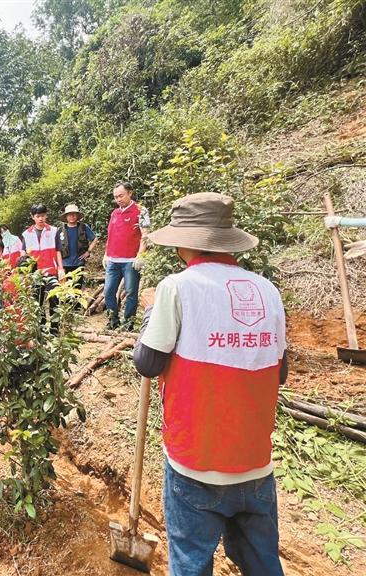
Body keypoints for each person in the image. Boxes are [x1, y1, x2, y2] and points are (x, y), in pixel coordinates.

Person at [132, 192, 288, 576]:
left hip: (196, 463)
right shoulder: (267, 291)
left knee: (190, 563)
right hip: (255, 464)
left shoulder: (177, 287)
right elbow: (278, 372)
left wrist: (151, 313)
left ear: (184, 241)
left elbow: (148, 363)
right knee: (263, 563)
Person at [103, 182, 150, 331]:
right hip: (113, 260)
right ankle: (113, 320)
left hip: (130, 261)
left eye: (121, 195)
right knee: (109, 291)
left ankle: (128, 323)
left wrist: (141, 255)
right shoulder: (114, 213)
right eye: (116, 197)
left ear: (130, 193)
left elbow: (145, 235)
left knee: (131, 292)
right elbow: (110, 235)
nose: (118, 199)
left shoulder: (141, 211)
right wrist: (106, 254)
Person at [22, 204, 66, 334]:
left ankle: (54, 330)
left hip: (52, 271)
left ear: (46, 215)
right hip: (35, 274)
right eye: (38, 216)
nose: (41, 218)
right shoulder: (26, 234)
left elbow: (58, 251)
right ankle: (40, 330)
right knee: (37, 302)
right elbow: (24, 256)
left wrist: (61, 268)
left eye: (43, 215)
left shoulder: (53, 230)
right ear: (32, 217)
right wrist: (25, 274)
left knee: (54, 301)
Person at [59, 203, 98, 289]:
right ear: (66, 216)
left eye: (74, 214)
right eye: (69, 214)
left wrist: (88, 252)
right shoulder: (61, 230)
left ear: (77, 215)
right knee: (66, 288)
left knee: (77, 288)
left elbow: (95, 239)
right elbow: (57, 248)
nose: (72, 216)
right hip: (65, 264)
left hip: (79, 263)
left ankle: (77, 303)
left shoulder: (83, 227)